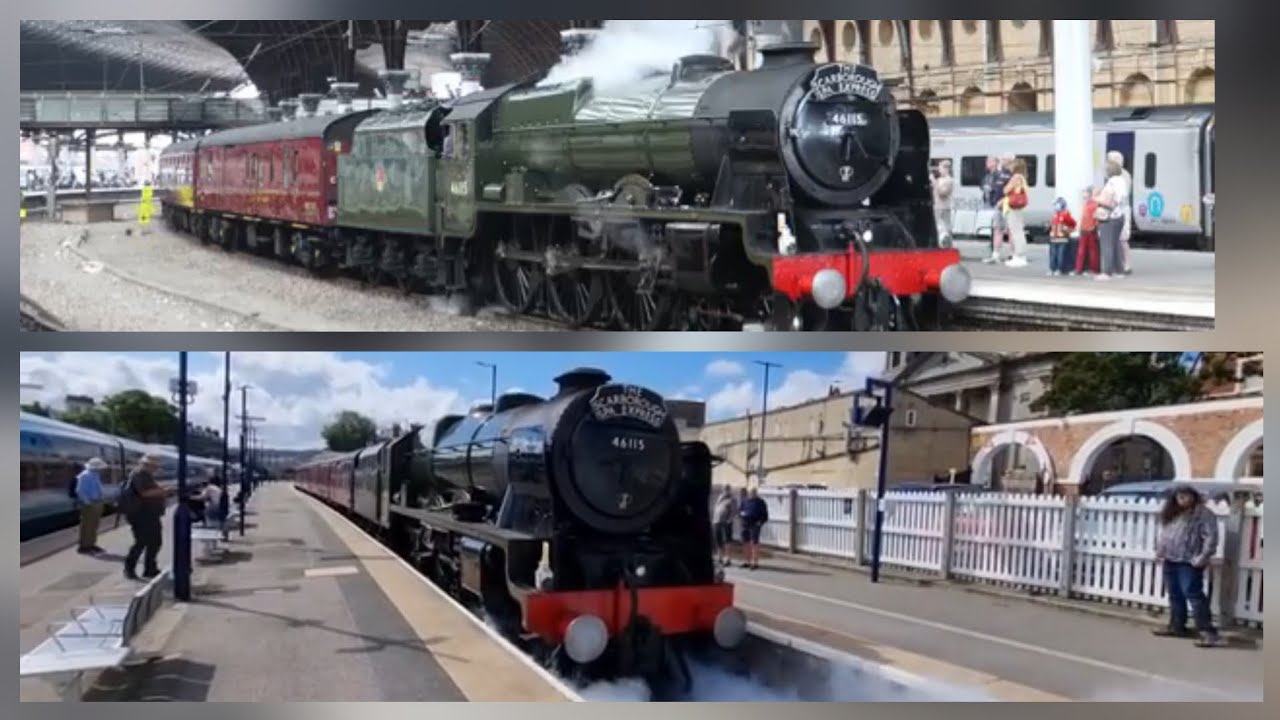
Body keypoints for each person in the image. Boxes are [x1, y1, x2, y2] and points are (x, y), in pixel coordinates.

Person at [1152, 485, 1222, 647]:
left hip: (1189, 561)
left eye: (1186, 496)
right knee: (1175, 595)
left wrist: (1203, 557)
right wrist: (1160, 551)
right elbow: (1166, 535)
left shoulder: (1203, 514)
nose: (1183, 499)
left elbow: (1211, 537)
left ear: (1193, 496)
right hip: (1171, 559)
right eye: (1180, 496)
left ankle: (1207, 632)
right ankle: (1177, 626)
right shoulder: (1173, 513)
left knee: (1194, 595)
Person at [119, 454, 168, 580]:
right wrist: (162, 491)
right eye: (154, 466)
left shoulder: (146, 475)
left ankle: (150, 569)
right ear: (146, 464)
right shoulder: (139, 474)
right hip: (141, 515)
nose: (156, 468)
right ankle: (129, 569)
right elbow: (144, 493)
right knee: (142, 542)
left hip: (150, 514)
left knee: (155, 542)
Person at [1094, 155, 1131, 281]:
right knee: (1115, 244)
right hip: (1120, 216)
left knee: (1106, 245)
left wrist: (1094, 197)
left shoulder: (1111, 183)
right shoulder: (1122, 181)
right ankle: (1119, 271)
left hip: (1108, 217)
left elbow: (1107, 200)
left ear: (1108, 171)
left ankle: (1107, 272)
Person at [74, 458, 109, 554]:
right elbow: (80, 491)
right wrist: (88, 502)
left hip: (97, 502)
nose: (102, 470)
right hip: (90, 504)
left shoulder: (95, 475)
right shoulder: (85, 476)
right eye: (100, 468)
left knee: (94, 525)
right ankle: (84, 546)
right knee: (87, 525)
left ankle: (91, 544)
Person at [981, 156, 1012, 264]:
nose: (987, 163)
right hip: (996, 205)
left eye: (990, 161)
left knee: (1010, 230)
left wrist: (1002, 200)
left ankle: (1012, 255)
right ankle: (995, 254)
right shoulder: (990, 175)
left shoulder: (1007, 174)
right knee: (997, 229)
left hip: (1006, 206)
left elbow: (1007, 190)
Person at [1001, 157, 1030, 268]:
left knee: (1016, 231)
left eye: (1012, 165)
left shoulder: (1016, 177)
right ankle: (1020, 255)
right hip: (1019, 207)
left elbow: (1006, 190)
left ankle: (1019, 255)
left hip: (1013, 207)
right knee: (1019, 231)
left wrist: (1007, 186)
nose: (1010, 166)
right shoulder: (1022, 177)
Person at [738, 488, 769, 570]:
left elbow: (765, 515)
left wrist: (760, 523)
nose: (752, 494)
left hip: (755, 525)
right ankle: (747, 561)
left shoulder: (760, 502)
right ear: (749, 493)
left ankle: (755, 562)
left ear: (756, 493)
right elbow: (740, 511)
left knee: (754, 543)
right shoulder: (745, 501)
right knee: (745, 543)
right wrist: (741, 515)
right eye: (751, 492)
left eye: (754, 492)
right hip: (745, 524)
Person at [1047, 197, 1076, 276]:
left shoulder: (1065, 215)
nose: (1054, 207)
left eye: (1056, 205)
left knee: (1060, 255)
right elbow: (1051, 225)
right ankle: (1052, 268)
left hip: (1062, 238)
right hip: (1053, 238)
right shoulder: (1054, 215)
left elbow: (1073, 224)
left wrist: (1068, 230)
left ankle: (1059, 269)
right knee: (1053, 254)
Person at [1075, 186, 1101, 275]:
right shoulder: (1090, 205)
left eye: (1085, 197)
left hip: (1089, 230)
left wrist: (1094, 226)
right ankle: (1083, 269)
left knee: (1086, 250)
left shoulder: (1092, 205)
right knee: (1088, 250)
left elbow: (1096, 218)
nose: (1084, 199)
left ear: (1090, 196)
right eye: (1083, 197)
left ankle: (1082, 269)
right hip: (1086, 230)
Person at [712, 486, 738, 567]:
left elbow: (734, 511)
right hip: (717, 521)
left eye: (727, 490)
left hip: (726, 522)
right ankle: (720, 557)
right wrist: (714, 519)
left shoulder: (732, 499)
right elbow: (717, 508)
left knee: (727, 540)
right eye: (724, 489)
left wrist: (729, 520)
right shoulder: (720, 497)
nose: (725, 491)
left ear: (730, 490)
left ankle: (728, 558)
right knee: (718, 539)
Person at [932, 160, 955, 247]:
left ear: (946, 169)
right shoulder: (939, 179)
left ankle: (948, 244)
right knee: (940, 226)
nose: (939, 170)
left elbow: (943, 193)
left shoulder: (949, 180)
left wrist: (934, 183)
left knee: (945, 226)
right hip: (937, 206)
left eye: (940, 168)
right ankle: (942, 244)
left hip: (944, 207)